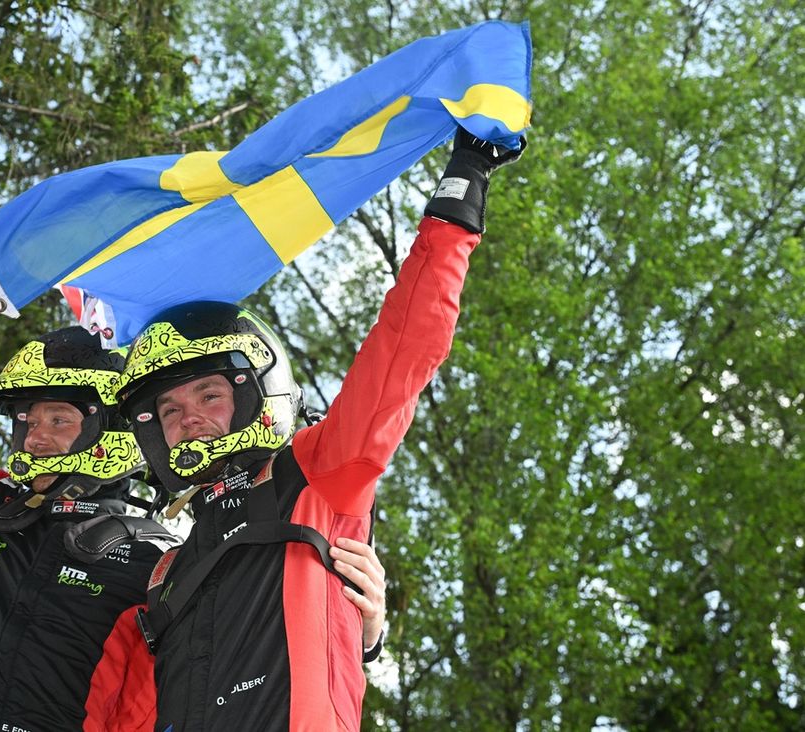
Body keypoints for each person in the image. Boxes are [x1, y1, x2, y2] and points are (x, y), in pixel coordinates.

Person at [114, 128, 525, 730]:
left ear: (258, 394)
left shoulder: (318, 472)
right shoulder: (164, 569)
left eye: (209, 393)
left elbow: (404, 349)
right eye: (170, 410)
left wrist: (467, 177)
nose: (189, 418)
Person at [0, 293, 388, 731]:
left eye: (59, 420)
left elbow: (196, 680)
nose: (35, 436)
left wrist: (355, 630)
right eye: (27, 421)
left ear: (110, 428)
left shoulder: (159, 560)